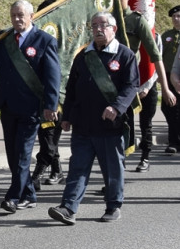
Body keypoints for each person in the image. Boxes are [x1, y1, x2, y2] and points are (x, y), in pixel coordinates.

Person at [48, 12, 138, 225]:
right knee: (78, 167)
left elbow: (131, 86)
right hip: (83, 124)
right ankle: (68, 208)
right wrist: (67, 116)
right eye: (94, 25)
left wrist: (116, 107)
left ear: (113, 29)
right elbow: (72, 89)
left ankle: (113, 206)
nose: (98, 29)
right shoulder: (84, 55)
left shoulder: (124, 55)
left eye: (103, 25)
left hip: (110, 126)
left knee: (112, 169)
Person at [0, 0, 60, 213]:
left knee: (22, 152)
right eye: (13, 15)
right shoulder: (4, 38)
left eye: (21, 15)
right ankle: (28, 194)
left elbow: (52, 77)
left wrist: (50, 105)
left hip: (31, 108)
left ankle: (13, 197)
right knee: (12, 153)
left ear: (32, 16)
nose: (17, 19)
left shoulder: (44, 40)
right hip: (7, 105)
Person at [118, 0, 175, 172]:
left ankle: (144, 157)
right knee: (116, 127)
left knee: (143, 123)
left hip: (130, 80)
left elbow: (155, 55)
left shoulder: (136, 20)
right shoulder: (106, 20)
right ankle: (117, 170)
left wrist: (165, 88)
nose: (117, 1)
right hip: (109, 82)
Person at [33, 0, 65, 190]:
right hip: (36, 97)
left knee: (49, 140)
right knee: (48, 137)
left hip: (57, 99)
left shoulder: (64, 39)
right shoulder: (36, 39)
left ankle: (35, 177)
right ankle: (57, 170)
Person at [163, 5, 180, 154]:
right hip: (168, 77)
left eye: (179, 16)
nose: (176, 19)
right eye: (174, 17)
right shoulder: (166, 35)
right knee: (169, 109)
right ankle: (173, 141)